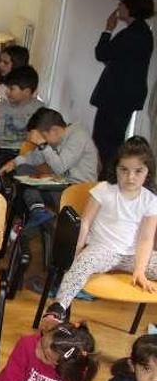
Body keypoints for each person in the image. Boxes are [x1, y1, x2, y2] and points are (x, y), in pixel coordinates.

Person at [40, 136, 157, 327]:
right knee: (83, 263)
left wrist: (140, 270)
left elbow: (145, 239)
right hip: (102, 250)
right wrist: (76, 253)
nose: (130, 177)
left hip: (134, 256)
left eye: (138, 171)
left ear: (148, 172)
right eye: (124, 170)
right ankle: (58, 308)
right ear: (115, 168)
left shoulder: (150, 200)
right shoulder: (103, 190)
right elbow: (84, 224)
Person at [0, 107, 99, 230]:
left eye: (43, 138)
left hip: (78, 190)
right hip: (61, 185)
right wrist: (13, 163)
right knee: (22, 173)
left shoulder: (78, 135)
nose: (43, 143)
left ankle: (36, 220)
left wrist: (43, 144)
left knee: (25, 192)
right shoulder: (54, 140)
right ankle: (37, 213)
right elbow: (34, 157)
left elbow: (60, 167)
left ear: (54, 130)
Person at [91, 0, 154, 178]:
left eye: (121, 4)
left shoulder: (132, 34)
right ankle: (108, 181)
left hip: (115, 97)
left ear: (130, 7)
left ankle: (106, 182)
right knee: (112, 141)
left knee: (105, 143)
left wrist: (108, 28)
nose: (118, 8)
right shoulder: (143, 33)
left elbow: (102, 53)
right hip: (124, 97)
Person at [0, 65, 44, 167]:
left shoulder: (39, 109)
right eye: (7, 87)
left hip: (27, 154)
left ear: (26, 91)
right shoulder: (4, 106)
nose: (7, 92)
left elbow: (39, 138)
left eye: (11, 88)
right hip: (3, 151)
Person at [0, 44, 29, 117]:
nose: (0, 65)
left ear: (17, 64)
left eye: (6, 63)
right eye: (0, 61)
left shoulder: (26, 87)